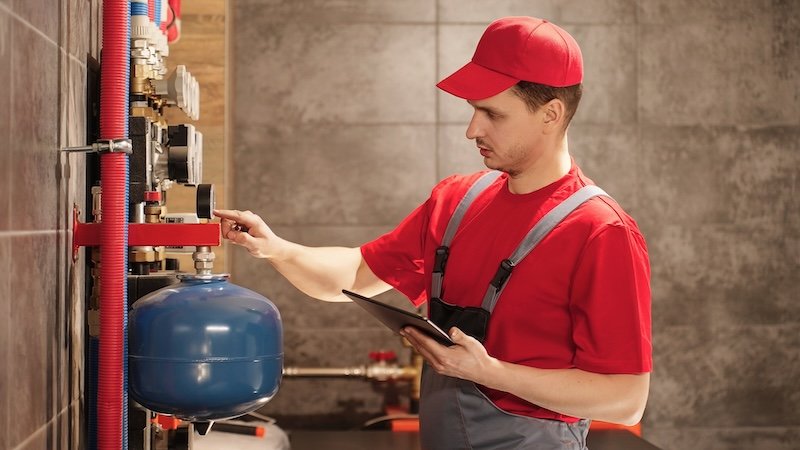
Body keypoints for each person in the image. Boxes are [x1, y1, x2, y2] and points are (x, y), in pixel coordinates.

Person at [215, 16, 651, 450]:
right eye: (474, 110)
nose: (472, 129)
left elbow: (626, 399)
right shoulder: (457, 202)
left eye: (492, 114)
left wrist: (489, 372)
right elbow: (354, 273)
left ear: (550, 114)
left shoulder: (600, 232)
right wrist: (276, 249)